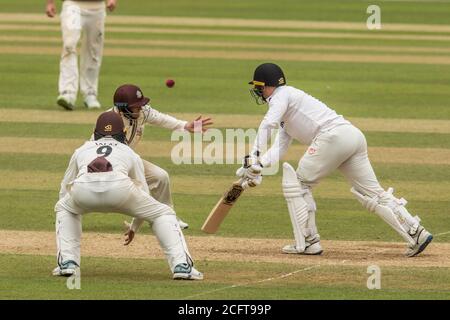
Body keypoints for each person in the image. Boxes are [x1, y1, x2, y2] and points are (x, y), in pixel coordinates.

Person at [238, 62, 433, 257]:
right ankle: (416, 232)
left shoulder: (281, 95)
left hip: (332, 137)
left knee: (299, 184)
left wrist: (252, 155)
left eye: (259, 87)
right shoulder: (286, 108)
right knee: (375, 194)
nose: (258, 91)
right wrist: (258, 166)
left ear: (268, 85)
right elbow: (278, 148)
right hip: (352, 136)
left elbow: (267, 123)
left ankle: (308, 241)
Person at [52, 111, 203, 280]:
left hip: (83, 191)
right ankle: (182, 266)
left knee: (64, 208)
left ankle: (68, 263)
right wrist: (134, 227)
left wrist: (66, 205)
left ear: (95, 132)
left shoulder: (81, 150)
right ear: (123, 132)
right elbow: (143, 192)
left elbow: (66, 186)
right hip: (120, 190)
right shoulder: (129, 152)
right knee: (163, 213)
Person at [110, 84, 213, 230]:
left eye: (140, 105)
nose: (140, 109)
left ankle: (168, 217)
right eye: (136, 106)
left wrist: (185, 126)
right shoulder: (110, 120)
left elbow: (161, 119)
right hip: (109, 164)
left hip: (130, 159)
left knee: (160, 176)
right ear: (124, 108)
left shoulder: (142, 112)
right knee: (138, 190)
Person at [45, 0, 117, 110]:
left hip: (97, 7)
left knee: (94, 50)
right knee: (69, 44)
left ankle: (90, 93)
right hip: (72, 5)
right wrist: (50, 3)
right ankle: (67, 92)